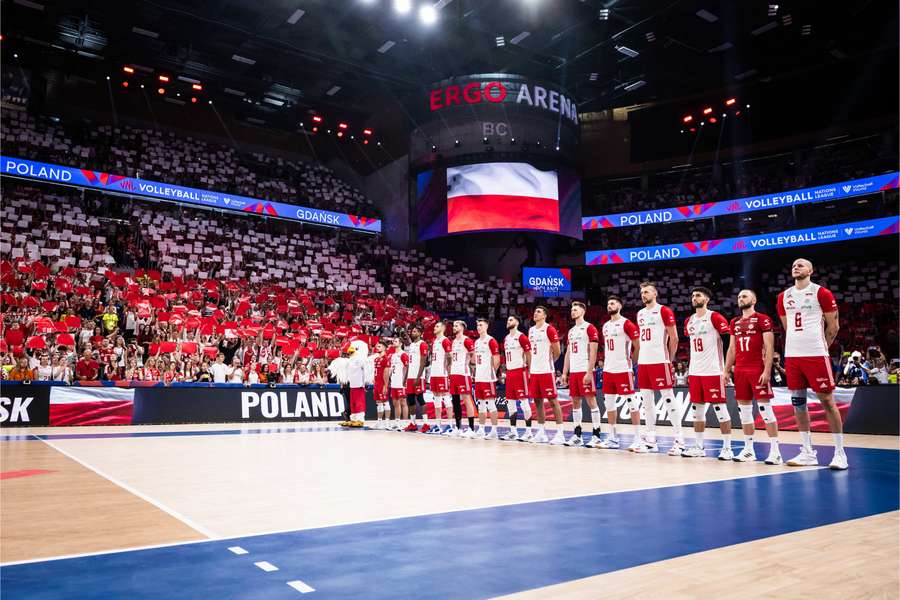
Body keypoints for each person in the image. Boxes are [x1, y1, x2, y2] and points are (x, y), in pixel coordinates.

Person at [776, 258, 845, 469]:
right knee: (798, 403)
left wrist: (821, 346)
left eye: (801, 265)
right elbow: (787, 327)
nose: (796, 267)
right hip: (793, 356)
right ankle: (807, 452)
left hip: (815, 354)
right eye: (794, 265)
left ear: (811, 270)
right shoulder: (783, 296)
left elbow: (833, 326)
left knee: (827, 401)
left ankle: (840, 453)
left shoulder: (821, 293)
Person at [723, 289, 782, 464]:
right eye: (739, 296)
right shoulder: (734, 322)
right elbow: (732, 349)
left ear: (754, 300)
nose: (741, 299)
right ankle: (749, 450)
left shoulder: (763, 319)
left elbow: (769, 347)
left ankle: (776, 451)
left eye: (745, 296)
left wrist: (767, 370)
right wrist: (726, 370)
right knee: (745, 414)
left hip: (757, 369)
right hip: (740, 370)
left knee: (766, 411)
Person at [681, 287, 734, 459]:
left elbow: (728, 341)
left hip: (713, 370)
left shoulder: (715, 317)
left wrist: (727, 366)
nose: (694, 298)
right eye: (693, 295)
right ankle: (698, 446)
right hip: (696, 371)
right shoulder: (689, 321)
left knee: (720, 408)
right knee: (697, 410)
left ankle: (727, 448)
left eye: (698, 295)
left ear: (707, 299)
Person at [632, 282, 680, 454]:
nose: (643, 295)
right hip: (644, 363)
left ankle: (679, 439)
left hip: (660, 361)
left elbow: (674, 338)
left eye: (646, 292)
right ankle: (651, 439)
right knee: (647, 402)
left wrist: (670, 360)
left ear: (655, 293)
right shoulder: (640, 314)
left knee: (668, 399)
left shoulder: (664, 311)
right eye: (642, 292)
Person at [598, 295, 640, 449]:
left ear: (620, 306)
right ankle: (612, 436)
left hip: (623, 369)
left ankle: (637, 438)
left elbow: (638, 345)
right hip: (608, 370)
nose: (610, 305)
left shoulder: (627, 324)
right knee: (609, 405)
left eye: (613, 303)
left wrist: (632, 362)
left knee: (632, 404)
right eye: (608, 303)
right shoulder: (606, 326)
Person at [560, 301, 601, 447]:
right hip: (574, 372)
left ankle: (596, 434)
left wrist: (589, 372)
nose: (573, 312)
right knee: (575, 402)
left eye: (575, 309)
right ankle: (577, 435)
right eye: (571, 309)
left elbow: (594, 351)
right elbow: (568, 353)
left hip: (585, 370)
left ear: (583, 311)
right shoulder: (571, 331)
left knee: (591, 401)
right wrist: (565, 372)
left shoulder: (589, 328)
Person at [528, 305, 563, 444]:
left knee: (553, 401)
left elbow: (557, 351)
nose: (535, 313)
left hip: (547, 371)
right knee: (537, 402)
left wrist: (548, 362)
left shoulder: (549, 329)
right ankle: (541, 432)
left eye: (539, 312)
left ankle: (560, 433)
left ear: (545, 315)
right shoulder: (531, 330)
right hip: (534, 371)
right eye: (535, 311)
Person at [501, 314, 534, 442]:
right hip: (510, 373)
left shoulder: (522, 337)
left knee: (524, 402)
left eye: (511, 319)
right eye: (508, 319)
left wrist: (530, 371)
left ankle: (529, 432)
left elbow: (528, 355)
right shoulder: (506, 338)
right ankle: (513, 432)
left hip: (521, 372)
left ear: (517, 322)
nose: (508, 321)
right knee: (510, 403)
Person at [472, 318, 501, 440]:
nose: (479, 327)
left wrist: (491, 373)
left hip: (488, 378)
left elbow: (497, 359)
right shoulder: (477, 342)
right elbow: (474, 361)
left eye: (481, 325)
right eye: (477, 325)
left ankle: (494, 431)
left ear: (487, 326)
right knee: (481, 406)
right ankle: (481, 429)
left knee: (491, 405)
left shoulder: (491, 341)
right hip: (478, 378)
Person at [449, 320, 477, 438]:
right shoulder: (454, 341)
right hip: (454, 373)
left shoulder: (467, 340)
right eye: (454, 325)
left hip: (463, 374)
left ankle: (471, 429)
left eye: (456, 325)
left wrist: (472, 367)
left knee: (466, 399)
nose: (454, 327)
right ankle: (458, 427)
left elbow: (473, 355)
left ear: (462, 327)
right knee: (455, 401)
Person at [429, 321, 456, 436]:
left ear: (443, 328)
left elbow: (450, 355)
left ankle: (450, 425)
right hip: (434, 373)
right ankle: (438, 425)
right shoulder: (435, 341)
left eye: (437, 326)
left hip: (442, 373)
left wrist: (448, 369)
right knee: (436, 399)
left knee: (446, 397)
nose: (435, 328)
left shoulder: (445, 340)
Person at [405, 327, 431, 433]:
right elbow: (410, 363)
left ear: (420, 333)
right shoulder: (411, 345)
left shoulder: (423, 344)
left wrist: (418, 377)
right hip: (410, 377)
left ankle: (426, 424)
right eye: (412, 331)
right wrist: (406, 377)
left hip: (418, 377)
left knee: (420, 399)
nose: (412, 332)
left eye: (415, 331)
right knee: (410, 400)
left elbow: (423, 362)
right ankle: (413, 423)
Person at [389, 337, 410, 430]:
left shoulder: (403, 354)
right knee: (395, 403)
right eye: (394, 341)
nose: (394, 342)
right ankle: (397, 422)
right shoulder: (393, 355)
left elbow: (407, 367)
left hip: (401, 382)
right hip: (394, 382)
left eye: (396, 341)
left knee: (403, 402)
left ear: (401, 343)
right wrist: (389, 379)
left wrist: (404, 380)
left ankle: (405, 423)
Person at [372, 340, 392, 429]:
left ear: (384, 348)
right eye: (377, 346)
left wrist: (385, 385)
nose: (377, 348)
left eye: (379, 346)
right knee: (378, 402)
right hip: (376, 383)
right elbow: (376, 371)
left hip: (382, 383)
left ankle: (387, 422)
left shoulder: (386, 359)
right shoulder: (376, 359)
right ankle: (379, 421)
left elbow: (386, 373)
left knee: (385, 402)